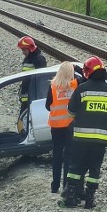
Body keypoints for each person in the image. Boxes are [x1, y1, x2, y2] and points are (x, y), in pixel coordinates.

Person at [59, 56, 107, 209]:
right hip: (101, 141)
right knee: (94, 169)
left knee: (75, 167)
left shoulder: (82, 89)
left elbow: (71, 112)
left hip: (81, 138)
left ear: (87, 72)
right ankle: (89, 200)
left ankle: (71, 198)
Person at [45, 62, 81, 194]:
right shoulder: (76, 84)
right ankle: (66, 185)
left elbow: (48, 105)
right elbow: (87, 78)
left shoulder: (53, 86)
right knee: (68, 156)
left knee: (57, 155)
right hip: (70, 126)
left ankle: (54, 186)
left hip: (55, 126)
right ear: (71, 73)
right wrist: (77, 68)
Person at [17, 36, 46, 108]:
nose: (23, 52)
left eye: (24, 50)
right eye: (22, 50)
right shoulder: (29, 59)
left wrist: (26, 98)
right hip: (28, 94)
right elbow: (25, 79)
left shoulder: (38, 60)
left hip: (34, 94)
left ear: (30, 49)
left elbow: (40, 80)